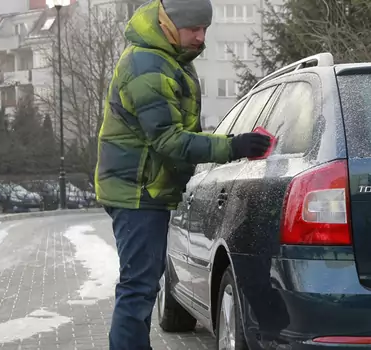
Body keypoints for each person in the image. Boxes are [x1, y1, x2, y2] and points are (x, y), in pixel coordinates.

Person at [93, 0, 270, 348]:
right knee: (138, 287)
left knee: (142, 285)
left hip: (147, 190)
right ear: (169, 24)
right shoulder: (147, 63)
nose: (201, 37)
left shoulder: (170, 59)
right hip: (136, 191)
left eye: (205, 29)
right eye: (194, 29)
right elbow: (167, 139)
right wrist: (232, 146)